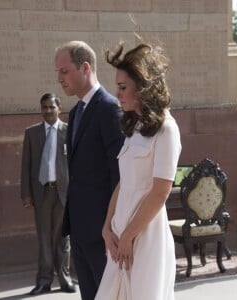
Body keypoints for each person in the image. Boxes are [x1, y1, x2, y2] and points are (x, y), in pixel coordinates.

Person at [95, 40, 182, 300]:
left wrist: (128, 237)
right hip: (121, 237)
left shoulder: (166, 129)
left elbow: (160, 192)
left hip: (146, 240)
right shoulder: (134, 128)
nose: (118, 94)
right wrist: (107, 228)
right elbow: (124, 183)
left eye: (123, 87)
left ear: (143, 87)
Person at [54, 41, 124, 300]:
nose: (59, 79)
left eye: (64, 71)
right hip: (80, 231)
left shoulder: (109, 109)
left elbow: (119, 174)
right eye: (57, 73)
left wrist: (110, 227)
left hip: (103, 234)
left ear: (85, 68)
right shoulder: (74, 113)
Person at [20, 93, 76, 296]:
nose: (47, 111)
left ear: (59, 108)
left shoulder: (69, 132)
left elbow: (76, 165)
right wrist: (26, 193)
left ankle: (65, 278)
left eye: (51, 107)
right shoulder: (32, 133)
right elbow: (26, 165)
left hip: (64, 192)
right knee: (44, 238)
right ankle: (44, 281)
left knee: (63, 237)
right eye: (44, 107)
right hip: (41, 193)